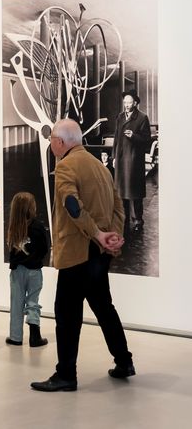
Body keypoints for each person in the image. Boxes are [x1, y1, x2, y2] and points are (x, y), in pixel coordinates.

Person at [30, 118, 135, 392]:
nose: (51, 143)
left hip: (79, 253)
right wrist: (114, 237)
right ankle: (124, 362)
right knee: (104, 307)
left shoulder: (65, 166)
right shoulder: (101, 168)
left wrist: (97, 234)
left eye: (52, 138)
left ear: (61, 142)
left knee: (66, 314)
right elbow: (118, 207)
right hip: (100, 254)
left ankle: (66, 374)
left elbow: (71, 204)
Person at [6, 192, 48, 347]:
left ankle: (16, 337)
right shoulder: (38, 227)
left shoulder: (13, 228)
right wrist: (35, 259)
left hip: (17, 271)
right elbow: (44, 248)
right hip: (34, 271)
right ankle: (34, 336)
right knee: (32, 301)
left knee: (16, 303)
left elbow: (12, 251)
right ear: (32, 207)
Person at [112, 89, 151, 232]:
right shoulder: (120, 117)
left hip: (134, 161)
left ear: (135, 103)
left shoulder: (142, 118)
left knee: (134, 193)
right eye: (125, 102)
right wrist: (114, 157)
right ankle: (124, 219)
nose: (126, 105)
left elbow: (147, 139)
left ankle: (137, 221)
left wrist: (134, 136)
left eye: (129, 102)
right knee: (121, 192)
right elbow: (116, 138)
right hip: (121, 160)